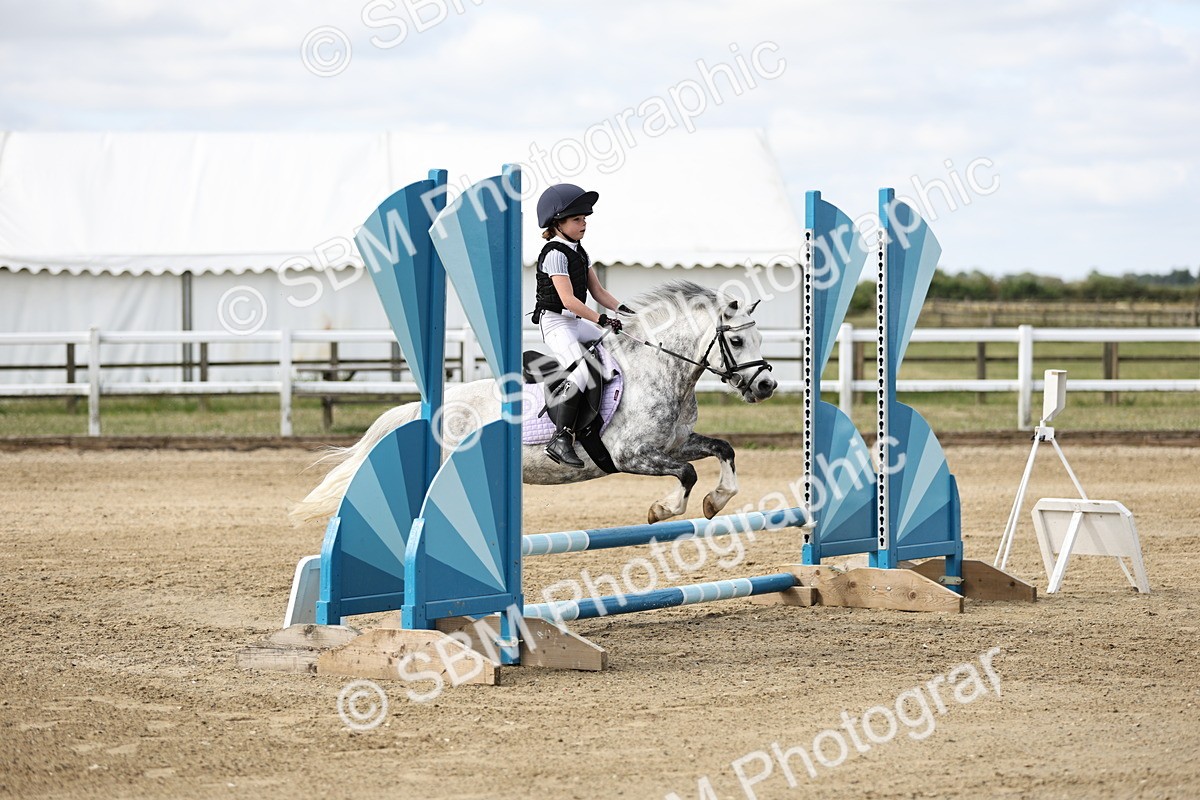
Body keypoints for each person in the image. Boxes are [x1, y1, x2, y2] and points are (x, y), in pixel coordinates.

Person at [532, 183, 632, 468]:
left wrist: (628, 312)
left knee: (616, 347)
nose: (583, 224)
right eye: (577, 219)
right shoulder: (554, 253)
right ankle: (560, 438)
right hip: (556, 324)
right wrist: (601, 319)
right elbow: (568, 300)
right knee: (579, 373)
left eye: (584, 218)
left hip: (575, 322)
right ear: (558, 223)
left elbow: (598, 292)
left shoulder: (580, 252)